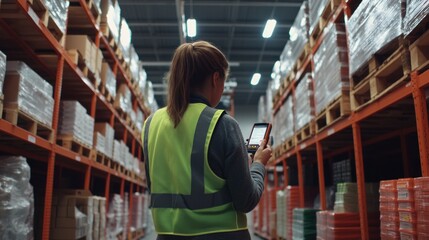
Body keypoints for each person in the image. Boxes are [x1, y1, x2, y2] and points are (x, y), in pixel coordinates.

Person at [142, 41, 272, 240]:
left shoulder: (151, 124)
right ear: (215, 78)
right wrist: (259, 164)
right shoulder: (223, 124)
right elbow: (246, 200)